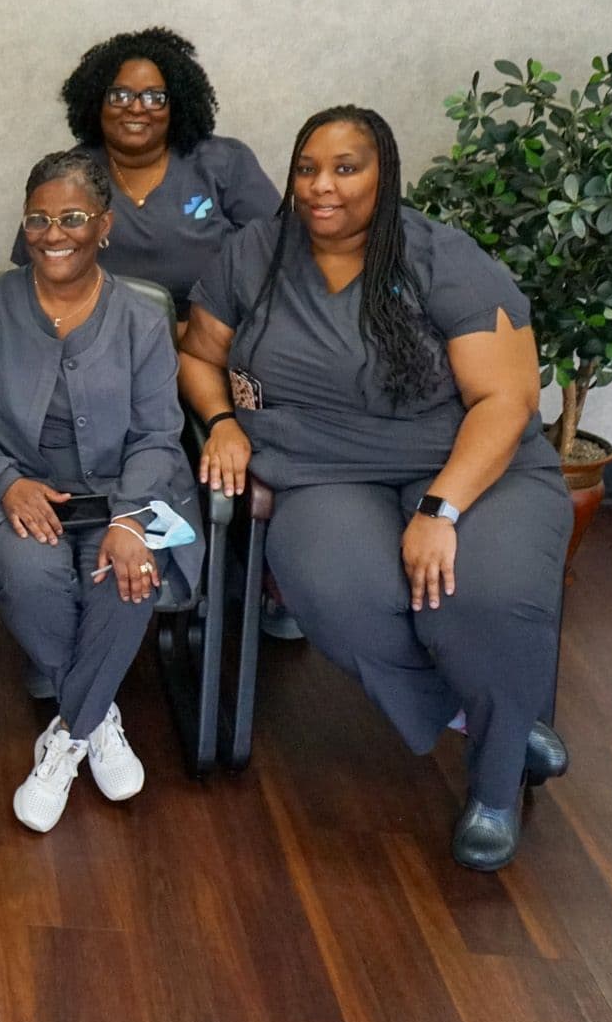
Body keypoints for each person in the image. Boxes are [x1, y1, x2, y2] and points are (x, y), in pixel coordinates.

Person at [178, 105, 571, 871]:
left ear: (383, 174)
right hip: (324, 469)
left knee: (479, 596)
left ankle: (493, 788)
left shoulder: (440, 256)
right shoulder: (253, 253)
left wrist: (441, 506)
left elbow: (506, 398)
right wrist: (223, 420)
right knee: (337, 593)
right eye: (307, 169)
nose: (322, 187)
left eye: (346, 168)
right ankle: (495, 715)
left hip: (472, 464)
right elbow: (198, 354)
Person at [0, 150, 202, 834]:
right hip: (22, 494)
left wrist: (134, 522)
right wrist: (6, 479)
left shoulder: (140, 318)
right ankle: (97, 716)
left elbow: (160, 435)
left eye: (72, 217)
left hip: (136, 493)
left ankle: (68, 735)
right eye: (39, 218)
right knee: (27, 574)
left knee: (129, 575)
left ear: (103, 225)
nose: (54, 233)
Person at [7, 27, 277, 317]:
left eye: (154, 97)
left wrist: (206, 337)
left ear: (177, 105)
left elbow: (279, 253)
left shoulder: (224, 162)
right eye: (120, 95)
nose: (136, 108)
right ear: (97, 102)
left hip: (213, 338)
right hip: (103, 341)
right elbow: (36, 276)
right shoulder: (69, 175)